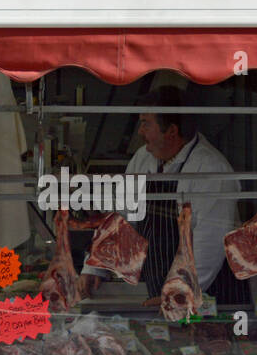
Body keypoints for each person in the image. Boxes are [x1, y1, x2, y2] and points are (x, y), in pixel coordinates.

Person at [79, 86, 246, 306]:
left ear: (172, 132)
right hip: (158, 287)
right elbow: (121, 217)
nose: (139, 131)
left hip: (204, 293)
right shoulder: (144, 158)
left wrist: (180, 293)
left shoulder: (211, 169)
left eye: (146, 123)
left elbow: (209, 243)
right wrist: (96, 265)